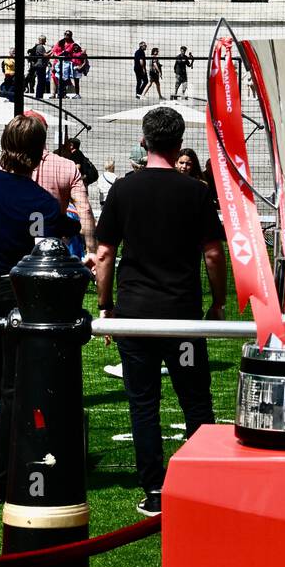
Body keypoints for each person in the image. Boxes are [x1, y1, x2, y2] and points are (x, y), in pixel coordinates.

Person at [94, 106, 227, 517]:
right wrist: (218, 302)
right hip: (181, 317)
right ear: (178, 142)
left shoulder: (124, 190)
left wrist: (106, 306)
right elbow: (212, 253)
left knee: (143, 403)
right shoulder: (196, 192)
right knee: (195, 401)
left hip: (136, 315)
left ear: (144, 141)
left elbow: (103, 255)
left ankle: (154, 489)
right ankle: (202, 485)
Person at [0, 115, 81, 499]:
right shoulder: (37, 199)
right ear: (36, 154)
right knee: (17, 385)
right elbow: (61, 229)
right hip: (17, 293)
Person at [27, 112, 98, 260]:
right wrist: (91, 250)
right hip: (54, 243)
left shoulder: (7, 166)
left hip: (18, 244)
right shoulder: (66, 166)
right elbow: (84, 209)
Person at [26, 35, 50, 100]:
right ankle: (39, 95)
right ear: (42, 40)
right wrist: (53, 51)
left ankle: (39, 95)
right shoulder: (40, 46)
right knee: (41, 81)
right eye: (45, 40)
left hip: (40, 65)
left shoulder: (39, 46)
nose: (45, 41)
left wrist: (50, 51)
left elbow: (43, 54)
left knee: (41, 81)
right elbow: (45, 55)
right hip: (40, 66)